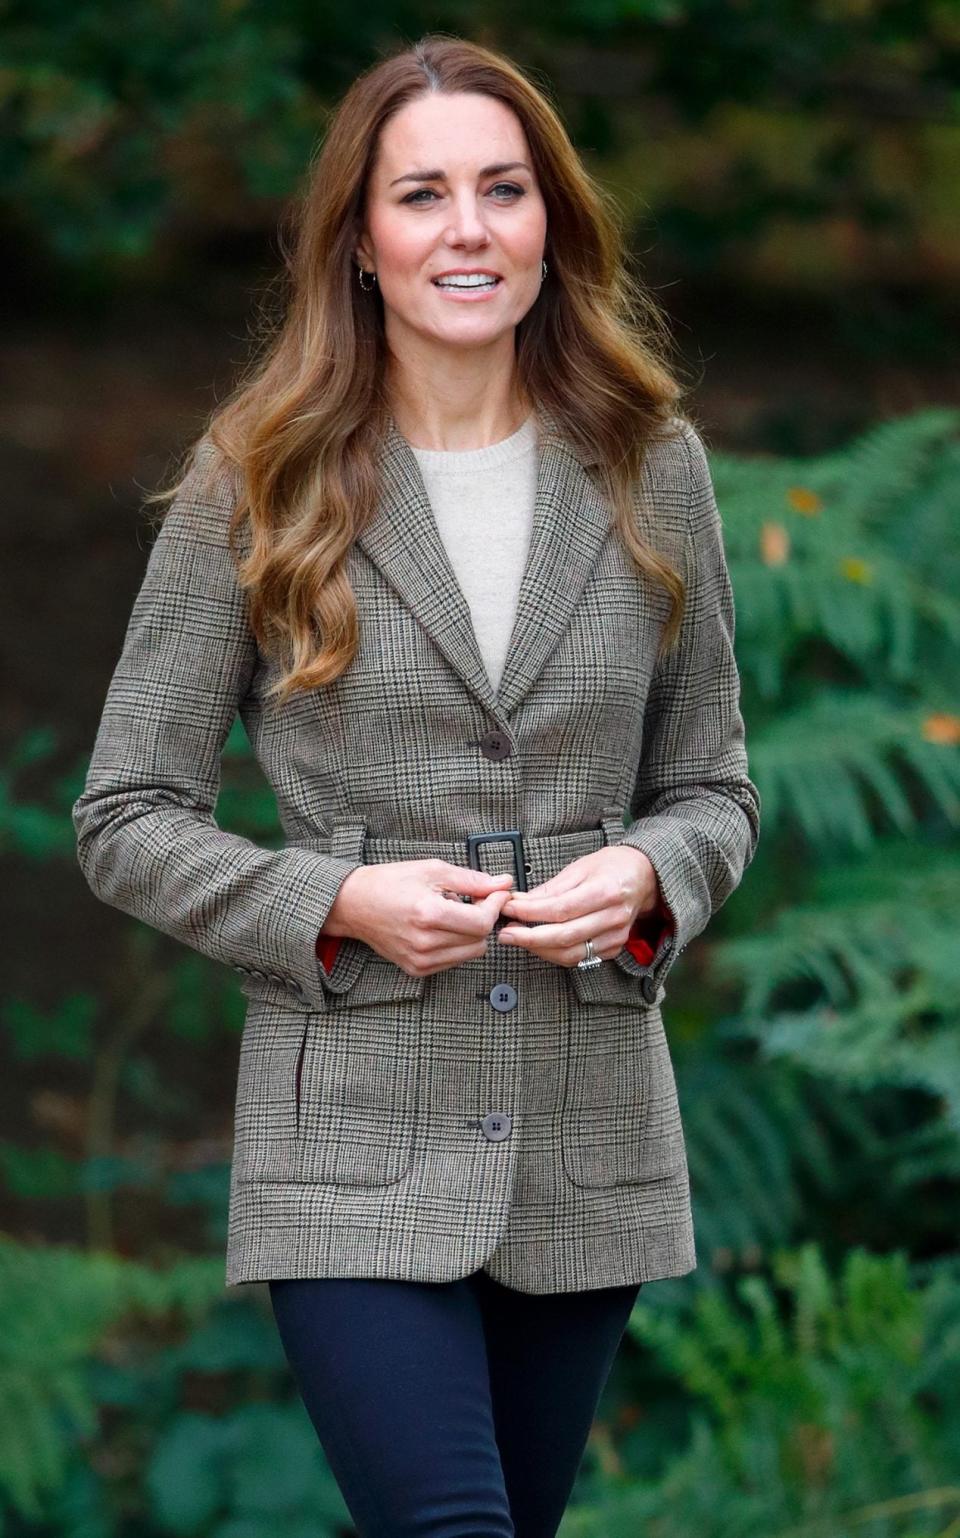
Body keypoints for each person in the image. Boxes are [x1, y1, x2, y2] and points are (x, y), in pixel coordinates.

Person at [72, 32, 761, 1538]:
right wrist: (334, 899)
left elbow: (714, 785)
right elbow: (123, 813)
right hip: (352, 1136)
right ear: (361, 242)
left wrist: (651, 878)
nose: (469, 228)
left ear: (552, 227)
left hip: (589, 1136)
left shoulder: (657, 469)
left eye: (504, 191)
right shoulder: (255, 478)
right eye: (424, 194)